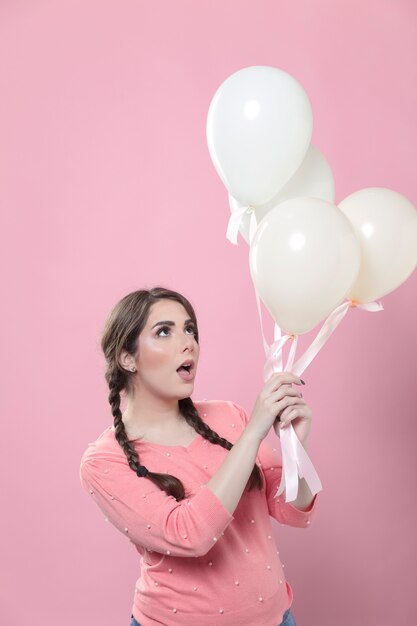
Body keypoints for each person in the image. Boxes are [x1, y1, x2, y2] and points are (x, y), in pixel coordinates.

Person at [79, 287, 319, 626]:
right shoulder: (103, 461)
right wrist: (254, 432)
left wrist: (297, 445)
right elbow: (189, 535)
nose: (188, 342)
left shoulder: (228, 415)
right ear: (127, 358)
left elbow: (293, 510)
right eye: (164, 331)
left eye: (190, 329)